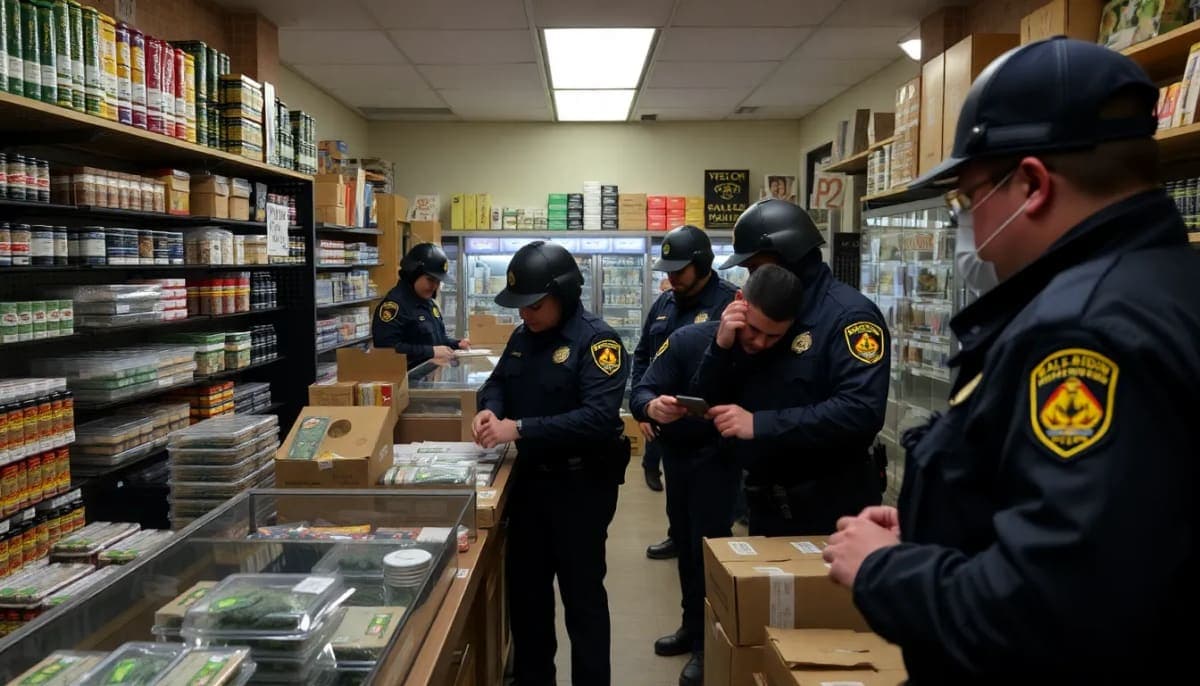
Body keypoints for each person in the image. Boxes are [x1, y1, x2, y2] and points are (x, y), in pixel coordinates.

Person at [823, 37, 1200, 683]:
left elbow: (1056, 610)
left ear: (1031, 184)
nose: (968, 222)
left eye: (967, 197)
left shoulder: (1083, 334)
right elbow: (1128, 522)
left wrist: (884, 568)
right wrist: (941, 522)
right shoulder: (1166, 284)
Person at [632, 264, 804, 686]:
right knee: (687, 548)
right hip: (682, 460)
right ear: (739, 305)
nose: (760, 342)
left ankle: (710, 644)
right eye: (754, 331)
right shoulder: (690, 339)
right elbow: (643, 390)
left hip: (735, 467)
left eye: (773, 336)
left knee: (713, 554)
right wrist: (651, 407)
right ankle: (693, 628)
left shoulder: (783, 356)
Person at [472, 240, 630, 686]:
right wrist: (490, 411)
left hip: (581, 488)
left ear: (565, 294)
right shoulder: (523, 337)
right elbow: (496, 383)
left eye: (535, 305)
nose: (526, 314)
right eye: (521, 306)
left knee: (583, 600)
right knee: (527, 599)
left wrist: (519, 428)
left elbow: (598, 418)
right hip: (528, 487)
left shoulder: (597, 342)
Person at [691, 198, 889, 535]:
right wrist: (720, 349)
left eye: (756, 267)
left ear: (790, 256)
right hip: (766, 500)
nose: (753, 278)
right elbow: (707, 401)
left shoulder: (848, 316)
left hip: (831, 504)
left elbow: (861, 410)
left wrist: (761, 424)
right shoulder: (753, 312)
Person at [635, 226, 739, 561]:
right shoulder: (664, 303)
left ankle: (711, 567)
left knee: (710, 523)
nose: (672, 278)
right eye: (668, 271)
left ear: (703, 264)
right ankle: (677, 538)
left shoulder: (729, 303)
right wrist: (643, 407)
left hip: (713, 437)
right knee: (677, 503)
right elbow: (642, 356)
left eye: (679, 271)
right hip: (671, 429)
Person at [372, 242, 467, 369]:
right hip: (407, 378)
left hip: (428, 376)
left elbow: (437, 340)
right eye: (430, 280)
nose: (435, 286)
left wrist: (457, 344)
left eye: (438, 281)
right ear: (413, 274)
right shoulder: (394, 306)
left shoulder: (427, 302)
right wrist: (430, 352)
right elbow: (387, 350)